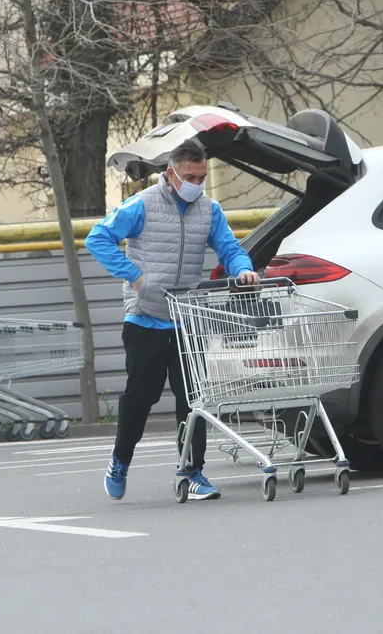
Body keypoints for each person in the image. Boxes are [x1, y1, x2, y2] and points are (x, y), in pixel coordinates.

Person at [85, 140, 260, 501]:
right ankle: (120, 461)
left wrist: (243, 269)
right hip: (145, 317)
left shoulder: (209, 210)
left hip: (186, 317)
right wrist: (135, 278)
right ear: (171, 174)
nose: (197, 184)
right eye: (190, 177)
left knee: (193, 398)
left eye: (201, 177)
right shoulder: (143, 204)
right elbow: (98, 238)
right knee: (141, 398)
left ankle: (191, 471)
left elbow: (229, 248)